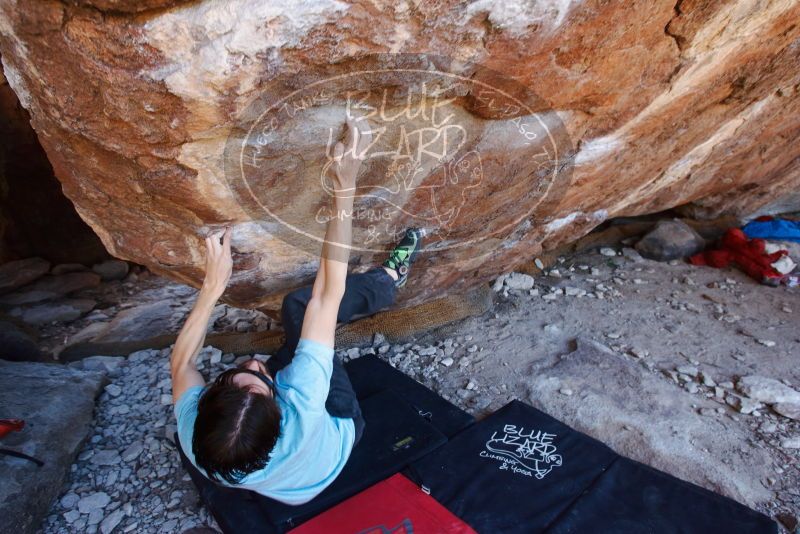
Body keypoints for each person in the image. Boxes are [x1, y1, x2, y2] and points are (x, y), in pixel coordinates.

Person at [169, 116, 425, 505]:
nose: (254, 364)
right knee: (301, 305)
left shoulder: (196, 438)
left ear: (206, 408)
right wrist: (344, 185)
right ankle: (388, 279)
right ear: (279, 409)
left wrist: (212, 287)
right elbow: (328, 294)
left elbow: (182, 364)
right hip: (340, 436)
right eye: (260, 381)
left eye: (232, 379)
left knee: (295, 336)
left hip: (293, 493)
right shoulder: (304, 401)